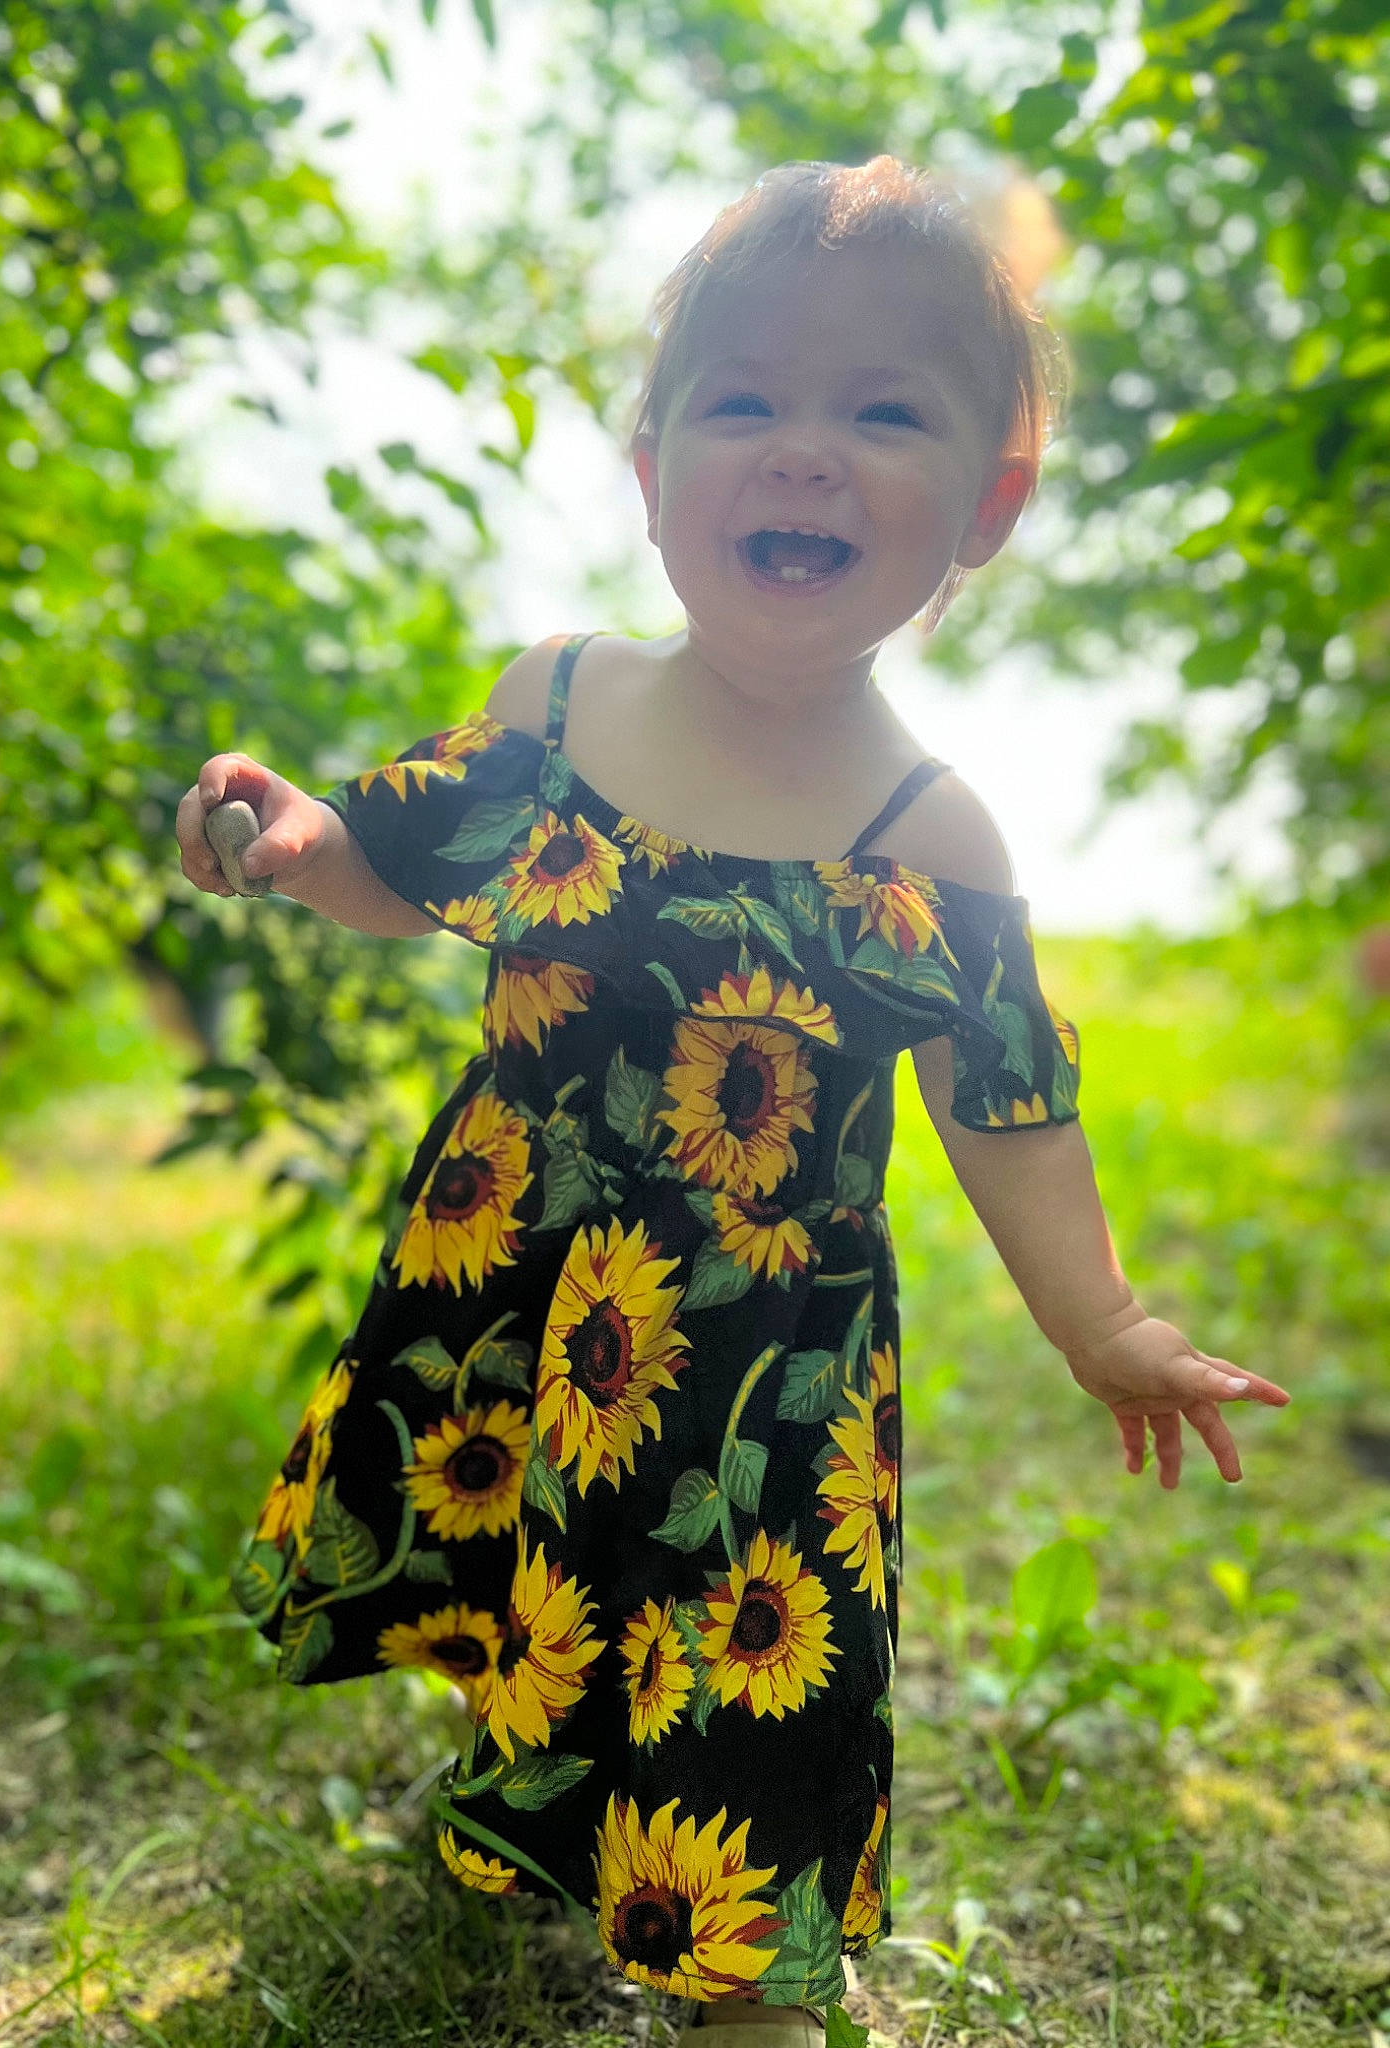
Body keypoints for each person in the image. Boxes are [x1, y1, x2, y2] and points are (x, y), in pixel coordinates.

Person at [176, 155, 1291, 2045]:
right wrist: (295, 844)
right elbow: (409, 867)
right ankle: (534, 1797)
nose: (801, 451)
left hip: (759, 1366)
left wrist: (1103, 1319)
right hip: (519, 1281)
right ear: (652, 470)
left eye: (881, 411)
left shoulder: (928, 836)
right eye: (747, 402)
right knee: (532, 1567)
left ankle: (749, 1998)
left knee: (745, 1683)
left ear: (988, 502)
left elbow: (1004, 1102)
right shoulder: (561, 703)